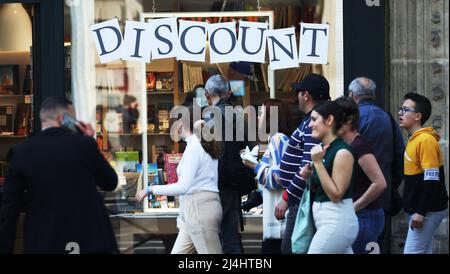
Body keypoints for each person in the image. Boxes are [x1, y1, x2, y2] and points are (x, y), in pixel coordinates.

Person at [0, 97, 118, 254]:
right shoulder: (84, 145)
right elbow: (110, 182)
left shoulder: (22, 152)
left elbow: (9, 207)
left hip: (45, 240)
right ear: (64, 118)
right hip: (88, 238)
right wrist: (89, 141)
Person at [136, 105, 223, 254]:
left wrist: (150, 189)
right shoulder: (203, 145)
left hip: (198, 211)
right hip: (198, 211)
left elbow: (183, 187)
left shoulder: (194, 147)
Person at [348, 77, 405, 253]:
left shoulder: (353, 121)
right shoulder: (387, 117)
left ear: (351, 95)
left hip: (357, 200)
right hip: (382, 199)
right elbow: (399, 154)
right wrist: (390, 184)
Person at [277, 73, 330, 254]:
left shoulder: (312, 123)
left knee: (292, 249)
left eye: (298, 92)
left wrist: (286, 198)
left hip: (300, 200)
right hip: (300, 198)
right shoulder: (312, 121)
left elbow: (308, 163)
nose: (296, 97)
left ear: (306, 95)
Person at [203, 74, 253, 254]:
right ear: (228, 93)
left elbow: (206, 153)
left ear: (207, 94)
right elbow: (250, 149)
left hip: (215, 185)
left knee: (214, 239)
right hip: (233, 185)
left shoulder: (210, 117)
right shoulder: (238, 116)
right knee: (230, 237)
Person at [301, 101, 358, 254]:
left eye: (314, 119)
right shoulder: (324, 150)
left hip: (337, 221)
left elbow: (336, 194)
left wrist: (317, 163)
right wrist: (309, 175)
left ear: (329, 120)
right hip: (329, 222)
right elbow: (324, 184)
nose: (309, 125)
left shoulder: (342, 152)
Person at [398, 93, 448, 254]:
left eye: (405, 109)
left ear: (417, 116)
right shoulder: (416, 139)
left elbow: (432, 179)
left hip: (427, 210)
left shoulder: (425, 140)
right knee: (424, 250)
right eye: (401, 109)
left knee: (413, 251)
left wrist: (420, 211)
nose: (400, 113)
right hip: (423, 209)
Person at [336, 97, 387, 254]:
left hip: (366, 217)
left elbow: (380, 183)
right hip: (359, 216)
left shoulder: (359, 145)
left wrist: (355, 207)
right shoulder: (347, 145)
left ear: (349, 121)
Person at [242, 99, 292, 254]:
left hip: (277, 220)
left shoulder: (278, 140)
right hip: (275, 217)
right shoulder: (276, 139)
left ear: (272, 117)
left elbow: (279, 178)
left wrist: (254, 166)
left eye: (262, 113)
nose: (258, 118)